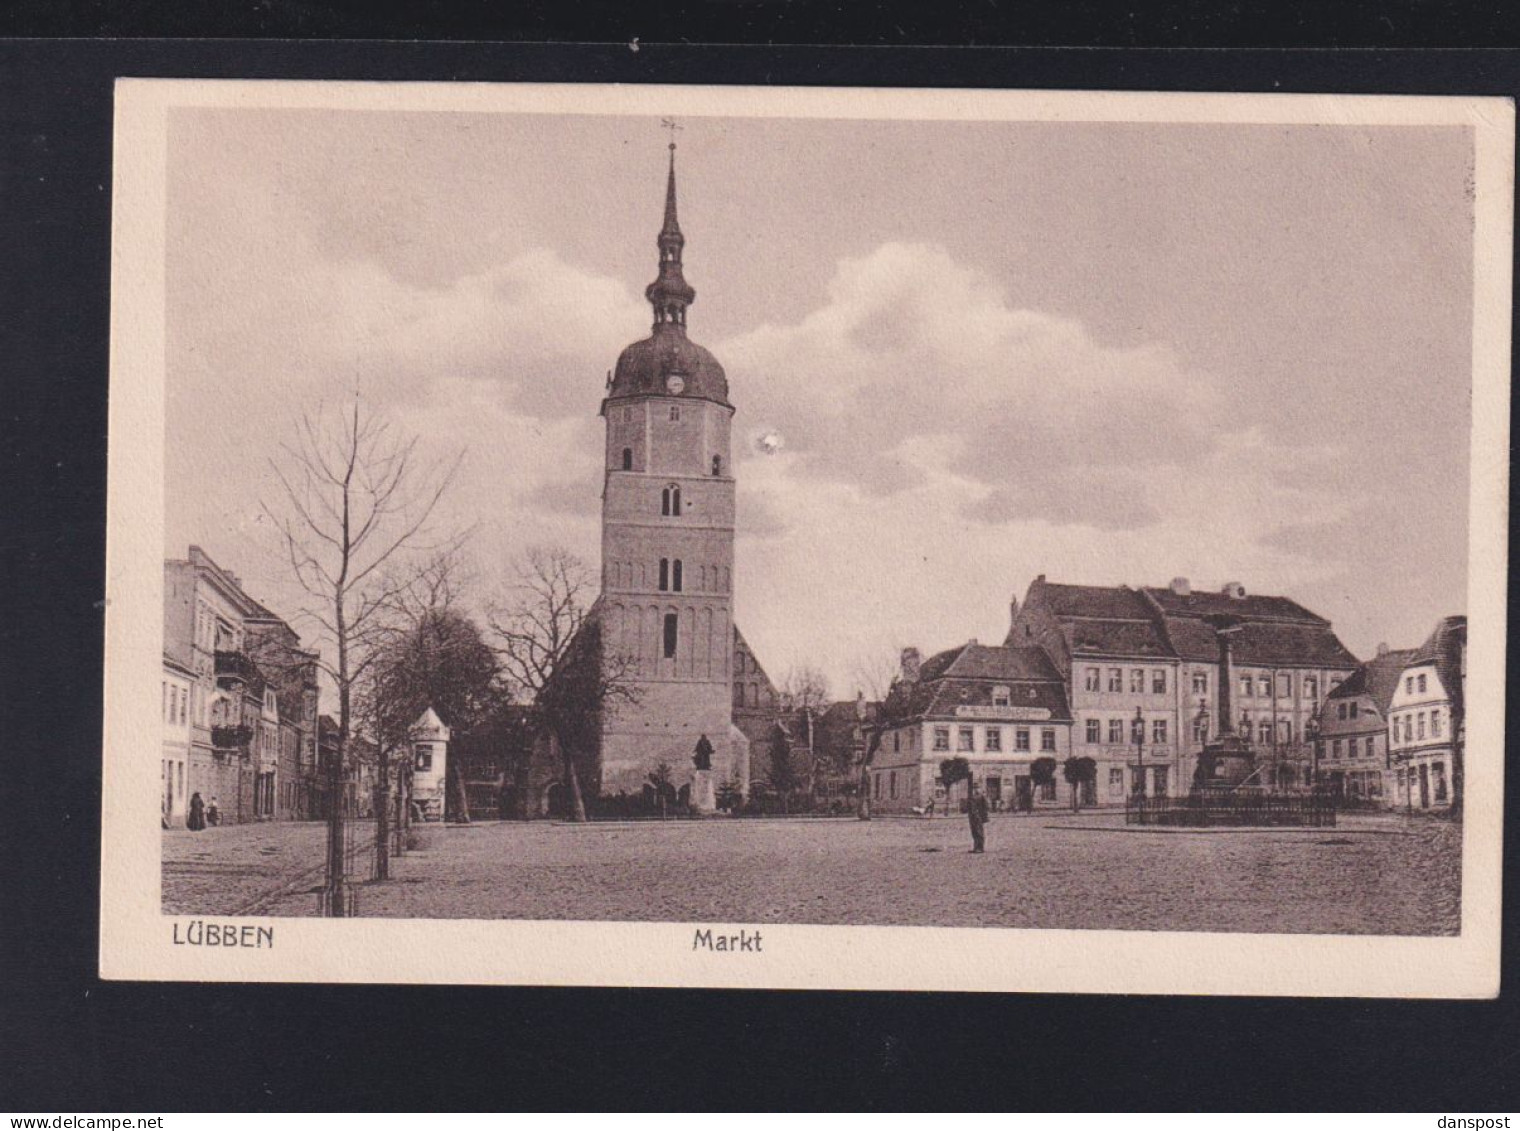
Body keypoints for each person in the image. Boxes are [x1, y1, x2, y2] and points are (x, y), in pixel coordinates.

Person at [968, 783, 989, 853]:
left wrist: (983, 816)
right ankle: (976, 847)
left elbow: (985, 807)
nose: (976, 790)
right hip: (972, 817)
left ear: (980, 789)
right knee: (974, 832)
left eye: (977, 788)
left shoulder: (982, 796)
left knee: (979, 832)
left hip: (978, 817)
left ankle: (980, 848)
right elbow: (970, 807)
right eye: (974, 788)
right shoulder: (972, 796)